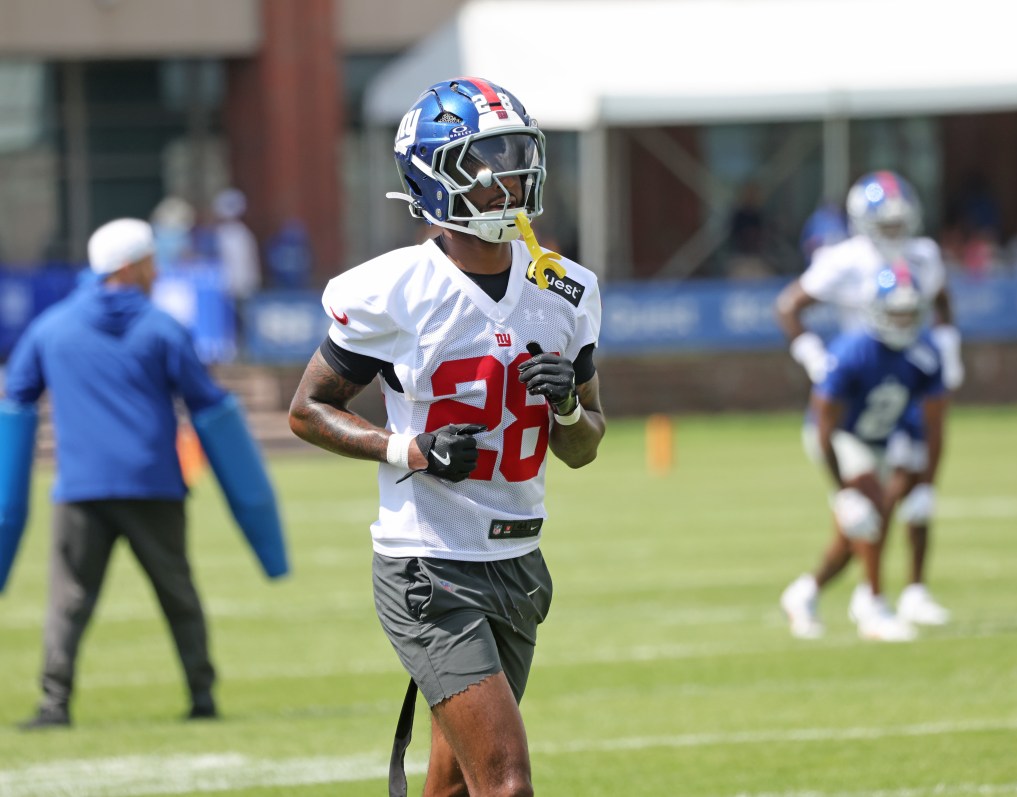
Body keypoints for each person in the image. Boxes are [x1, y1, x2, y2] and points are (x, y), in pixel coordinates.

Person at [288, 77, 605, 797]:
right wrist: (409, 449)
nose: (509, 176)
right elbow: (307, 409)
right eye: (483, 161)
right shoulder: (395, 288)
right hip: (429, 565)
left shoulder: (566, 288)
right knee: (506, 782)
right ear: (433, 176)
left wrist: (563, 413)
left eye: (515, 155)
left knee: (456, 786)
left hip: (519, 560)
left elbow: (587, 443)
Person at [4, 219, 229, 729]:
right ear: (130, 266)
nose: (157, 271)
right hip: (154, 485)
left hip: (80, 487)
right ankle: (202, 697)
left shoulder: (52, 326)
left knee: (67, 601)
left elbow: (16, 397)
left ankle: (53, 705)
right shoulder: (163, 328)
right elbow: (206, 402)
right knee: (178, 594)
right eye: (152, 261)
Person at [776, 170, 963, 627]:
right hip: (856, 385)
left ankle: (906, 591)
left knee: (908, 491)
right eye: (887, 221)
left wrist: (948, 345)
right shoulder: (845, 261)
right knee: (867, 505)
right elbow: (789, 305)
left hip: (904, 381)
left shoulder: (923, 255)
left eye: (902, 221)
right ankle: (869, 599)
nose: (896, 230)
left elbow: (941, 302)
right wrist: (814, 355)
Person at [780, 266, 948, 641]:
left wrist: (925, 483)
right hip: (840, 437)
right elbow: (824, 426)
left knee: (856, 533)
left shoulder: (925, 353)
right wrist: (843, 491)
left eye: (909, 312)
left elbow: (933, 422)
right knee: (867, 507)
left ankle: (804, 592)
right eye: (895, 312)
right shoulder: (853, 352)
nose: (902, 320)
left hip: (886, 436)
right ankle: (873, 606)